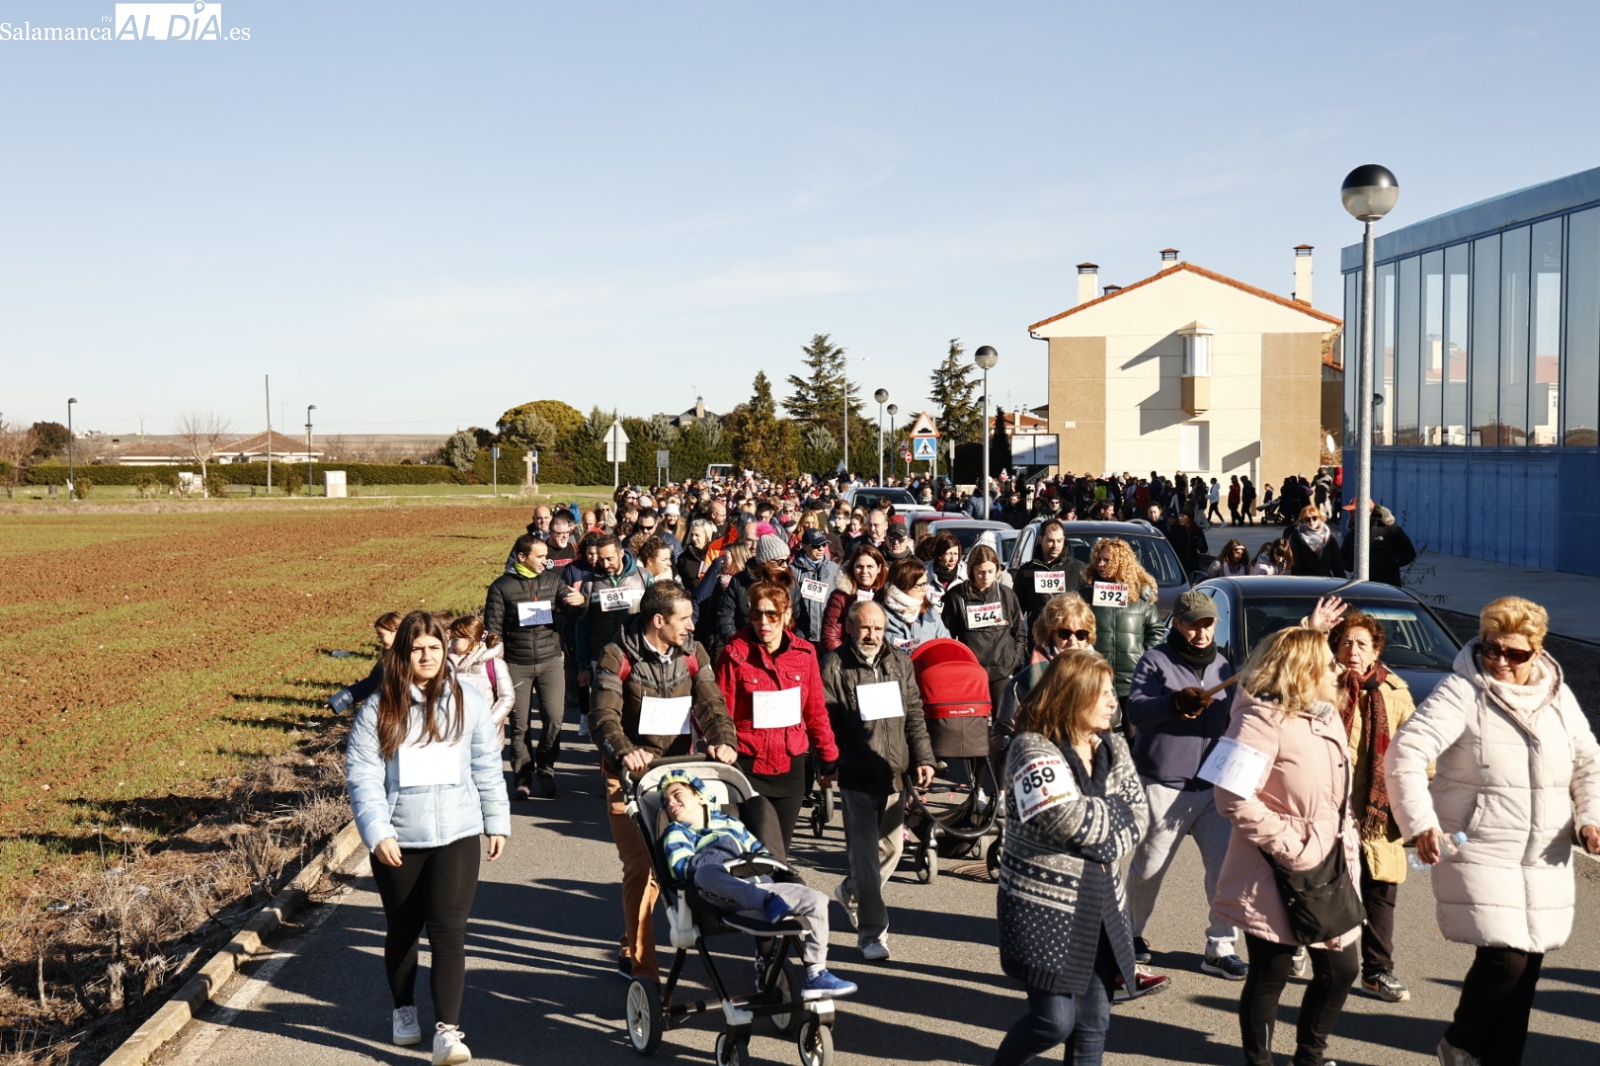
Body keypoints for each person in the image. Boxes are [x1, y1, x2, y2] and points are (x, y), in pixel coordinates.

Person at [1386, 597, 1600, 1066]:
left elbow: (1589, 762)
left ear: (1537, 653)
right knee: (1505, 959)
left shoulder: (1558, 695)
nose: (1500, 661)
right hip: (1479, 844)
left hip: (1545, 850)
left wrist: (1590, 817)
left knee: (1528, 967)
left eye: (1515, 653)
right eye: (1491, 649)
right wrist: (1421, 822)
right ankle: (1459, 1042)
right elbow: (1403, 754)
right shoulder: (1462, 691)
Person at [345, 612, 508, 1064]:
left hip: (456, 834)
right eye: (418, 648)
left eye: (434, 648)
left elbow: (487, 768)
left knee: (449, 932)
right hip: (399, 839)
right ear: (403, 653)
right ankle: (403, 1009)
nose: (427, 656)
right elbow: (364, 778)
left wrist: (496, 820)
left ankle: (448, 1033)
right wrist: (377, 832)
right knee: (403, 930)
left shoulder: (469, 701)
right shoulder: (378, 710)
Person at [991, 650, 1160, 1066]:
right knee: (1054, 1021)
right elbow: (1066, 819)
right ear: (1072, 695)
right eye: (1101, 693)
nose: (1112, 701)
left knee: (1094, 1025)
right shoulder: (1029, 749)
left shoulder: (1114, 745)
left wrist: (1106, 824)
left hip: (1102, 905)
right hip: (1042, 908)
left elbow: (1140, 816)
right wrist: (1112, 821)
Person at [1213, 627, 1360, 1066]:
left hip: (1329, 863)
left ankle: (1309, 1057)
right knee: (1271, 972)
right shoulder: (1258, 718)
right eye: (1328, 661)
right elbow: (1231, 797)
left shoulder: (1327, 713)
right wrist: (1291, 844)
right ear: (1303, 669)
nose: (1338, 667)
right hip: (1273, 867)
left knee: (1342, 969)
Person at [589, 581, 740, 981]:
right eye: (684, 618)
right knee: (641, 867)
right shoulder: (616, 655)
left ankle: (636, 937)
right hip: (630, 776)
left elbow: (711, 704)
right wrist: (624, 751)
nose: (692, 625)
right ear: (659, 621)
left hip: (678, 774)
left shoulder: (693, 652)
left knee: (669, 864)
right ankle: (643, 967)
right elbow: (603, 715)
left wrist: (724, 741)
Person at [656, 769, 857, 1000]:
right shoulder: (676, 832)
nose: (671, 802)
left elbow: (760, 854)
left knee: (817, 899)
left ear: (700, 795)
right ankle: (764, 901)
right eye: (666, 801)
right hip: (719, 890)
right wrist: (720, 855)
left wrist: (756, 864)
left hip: (759, 885)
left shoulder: (730, 823)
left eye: (677, 794)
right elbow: (681, 868)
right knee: (705, 872)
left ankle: (815, 972)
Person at [1124, 591, 1243, 979]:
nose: (1200, 631)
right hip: (1164, 783)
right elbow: (1136, 708)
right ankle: (1130, 934)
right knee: (1149, 869)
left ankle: (1220, 948)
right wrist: (1174, 703)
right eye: (1192, 624)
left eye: (1207, 623)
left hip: (1213, 787)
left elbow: (1238, 717)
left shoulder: (1225, 666)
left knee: (1225, 872)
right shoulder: (1156, 660)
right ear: (1177, 623)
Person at [1308, 607, 1417, 1004]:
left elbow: (1417, 753)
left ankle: (1377, 972)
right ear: (1334, 646)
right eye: (1346, 642)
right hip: (1326, 807)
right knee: (1322, 887)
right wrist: (1309, 630)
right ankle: (1309, 949)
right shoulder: (1318, 682)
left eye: (1363, 644)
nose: (1354, 650)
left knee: (1381, 889)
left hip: (1378, 812)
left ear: (1376, 652)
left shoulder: (1396, 692)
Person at [820, 600, 935, 961]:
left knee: (893, 849)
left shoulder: (899, 662)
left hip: (894, 774)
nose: (872, 635)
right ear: (851, 628)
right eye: (865, 628)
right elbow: (824, 720)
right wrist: (829, 762)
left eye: (879, 628)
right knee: (867, 859)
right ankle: (872, 933)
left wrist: (924, 759)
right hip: (856, 775)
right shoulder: (834, 665)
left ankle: (851, 891)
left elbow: (914, 714)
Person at [715, 580, 839, 860]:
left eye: (772, 614)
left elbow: (816, 711)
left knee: (778, 855)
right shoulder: (734, 655)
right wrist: (722, 745)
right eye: (756, 614)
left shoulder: (805, 655)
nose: (763, 622)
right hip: (746, 766)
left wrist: (828, 755)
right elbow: (718, 712)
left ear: (786, 615)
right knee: (751, 854)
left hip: (791, 768)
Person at [484, 535, 573, 799]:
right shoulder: (501, 587)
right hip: (516, 663)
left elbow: (571, 612)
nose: (545, 561)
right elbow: (493, 629)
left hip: (550, 661)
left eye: (546, 555)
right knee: (520, 725)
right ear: (522, 557)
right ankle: (522, 779)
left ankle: (546, 768)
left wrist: (577, 605)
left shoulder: (553, 581)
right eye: (539, 556)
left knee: (554, 718)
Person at [1079, 539, 1166, 724]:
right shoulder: (1087, 593)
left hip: (1132, 681)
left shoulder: (1142, 595)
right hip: (1096, 678)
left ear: (1121, 563)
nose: (1101, 564)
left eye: (1107, 560)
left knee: (1133, 737)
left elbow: (1156, 631)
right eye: (1099, 559)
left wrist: (1144, 659)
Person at [994, 593, 1098, 749]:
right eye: (1065, 633)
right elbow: (1003, 734)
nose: (1073, 640)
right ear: (1050, 634)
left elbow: (1114, 726)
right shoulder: (1023, 681)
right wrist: (1025, 761)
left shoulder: (1099, 674)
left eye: (1081, 634)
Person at [943, 544, 1028, 711]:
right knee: (975, 724)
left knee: (1003, 723)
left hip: (1002, 669)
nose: (986, 577)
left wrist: (1014, 659)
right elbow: (947, 638)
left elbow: (1019, 632)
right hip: (972, 672)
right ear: (971, 571)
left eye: (991, 571)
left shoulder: (1006, 595)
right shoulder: (956, 597)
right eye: (981, 572)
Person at [1013, 519, 1088, 631]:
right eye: (1050, 541)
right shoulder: (1026, 571)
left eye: (1059, 541)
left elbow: (1086, 608)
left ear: (1064, 540)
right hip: (1037, 639)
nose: (1055, 546)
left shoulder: (1078, 568)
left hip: (1068, 637)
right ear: (1040, 540)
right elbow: (1016, 612)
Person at [447, 615, 515, 729]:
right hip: (454, 732)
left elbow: (507, 697)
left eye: (455, 639)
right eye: (451, 638)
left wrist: (489, 723)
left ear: (470, 640)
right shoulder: (446, 662)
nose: (451, 642)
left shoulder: (494, 664)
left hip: (484, 735)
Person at [328, 611, 401, 714]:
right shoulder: (385, 657)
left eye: (381, 635)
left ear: (396, 632)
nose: (379, 640)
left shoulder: (412, 658)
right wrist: (341, 699)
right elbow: (372, 682)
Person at [821, 543, 887, 652]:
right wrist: (845, 661)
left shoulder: (886, 596)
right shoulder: (840, 597)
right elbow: (830, 636)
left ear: (879, 568)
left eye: (870, 566)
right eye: (859, 567)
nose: (864, 571)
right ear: (853, 568)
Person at [1338, 502, 1417, 587]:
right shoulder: (1352, 535)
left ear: (1369, 511)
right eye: (1351, 512)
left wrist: (1388, 561)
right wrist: (1354, 564)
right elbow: (1341, 558)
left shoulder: (1392, 530)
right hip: (1361, 586)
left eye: (1355, 511)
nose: (1353, 515)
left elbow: (1409, 553)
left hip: (1387, 585)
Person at [882, 556, 951, 651]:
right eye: (919, 585)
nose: (925, 589)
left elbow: (946, 645)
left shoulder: (930, 612)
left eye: (925, 583)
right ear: (903, 585)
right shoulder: (879, 615)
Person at [789, 528, 839, 646]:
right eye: (816, 546)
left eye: (823, 544)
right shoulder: (792, 570)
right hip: (801, 633)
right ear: (805, 547)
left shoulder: (834, 569)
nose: (821, 548)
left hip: (827, 633)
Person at [1287, 506, 1345, 577]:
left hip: (1326, 581)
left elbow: (1337, 565)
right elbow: (1296, 567)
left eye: (1314, 518)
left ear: (1319, 518)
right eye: (1307, 519)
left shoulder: (1328, 538)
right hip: (1305, 581)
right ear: (1303, 520)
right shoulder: (1296, 538)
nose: (1311, 521)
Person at [924, 530, 966, 612]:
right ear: (939, 555)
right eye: (948, 554)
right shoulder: (923, 573)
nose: (953, 559)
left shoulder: (967, 574)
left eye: (955, 554)